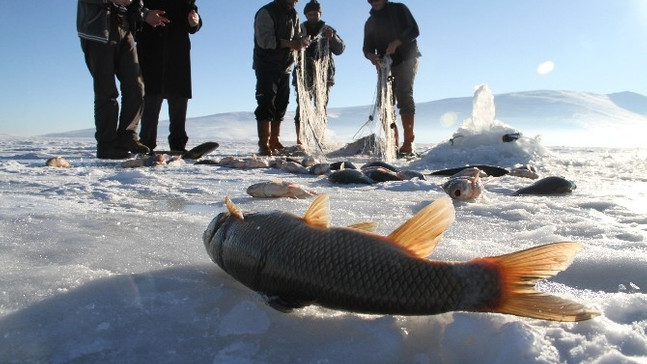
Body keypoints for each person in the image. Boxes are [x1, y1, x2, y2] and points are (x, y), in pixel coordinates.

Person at [77, 0, 168, 159]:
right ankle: (107, 145)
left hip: (125, 29)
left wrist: (145, 14)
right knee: (107, 90)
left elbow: (133, 4)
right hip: (97, 30)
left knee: (136, 85)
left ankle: (127, 137)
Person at [137, 0, 202, 153]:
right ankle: (147, 142)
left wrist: (195, 21)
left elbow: (193, 19)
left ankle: (178, 144)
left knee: (179, 97)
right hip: (151, 48)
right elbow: (135, 11)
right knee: (151, 95)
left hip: (178, 51)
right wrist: (145, 16)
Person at [363, 0, 421, 157]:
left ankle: (408, 143)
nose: (374, 2)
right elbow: (366, 48)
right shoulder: (370, 22)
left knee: (403, 93)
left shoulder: (399, 9)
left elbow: (414, 30)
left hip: (407, 58)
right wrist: (372, 57)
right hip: (385, 64)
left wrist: (397, 42)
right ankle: (392, 141)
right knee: (384, 101)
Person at [253, 0, 310, 156]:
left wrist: (302, 41)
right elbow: (264, 41)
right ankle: (264, 143)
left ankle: (274, 140)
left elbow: (298, 35)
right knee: (266, 102)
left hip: (285, 67)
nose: (295, 1)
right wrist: (290, 44)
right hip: (266, 66)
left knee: (281, 103)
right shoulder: (266, 12)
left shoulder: (294, 15)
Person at [292, 0, 345, 145]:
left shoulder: (328, 29)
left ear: (320, 14)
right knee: (302, 106)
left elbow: (340, 49)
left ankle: (320, 139)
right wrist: (300, 43)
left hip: (325, 75)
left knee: (321, 106)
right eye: (310, 14)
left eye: (315, 14)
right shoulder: (299, 29)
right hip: (303, 74)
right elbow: (291, 50)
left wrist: (332, 38)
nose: (313, 16)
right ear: (306, 15)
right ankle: (300, 140)